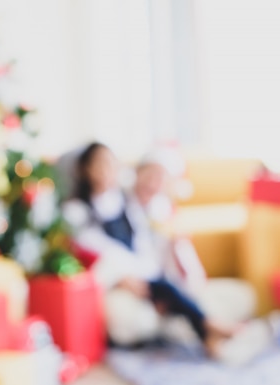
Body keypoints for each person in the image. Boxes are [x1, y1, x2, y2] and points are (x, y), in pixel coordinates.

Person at [61, 141, 236, 356]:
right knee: (166, 290)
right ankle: (209, 328)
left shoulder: (125, 203)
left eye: (111, 164)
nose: (107, 171)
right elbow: (90, 254)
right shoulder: (77, 212)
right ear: (85, 169)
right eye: (100, 164)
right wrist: (122, 278)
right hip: (114, 280)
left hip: (142, 274)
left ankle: (207, 331)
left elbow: (141, 247)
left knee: (168, 287)